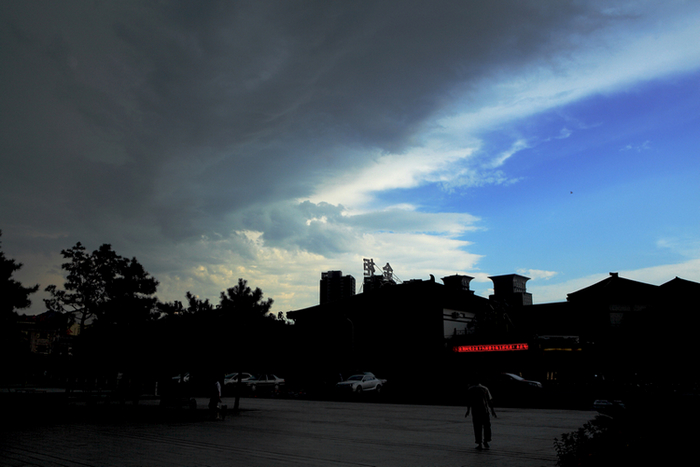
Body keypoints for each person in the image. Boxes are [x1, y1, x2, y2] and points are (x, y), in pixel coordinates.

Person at [465, 379, 497, 450]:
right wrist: (492, 411)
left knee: (477, 427)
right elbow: (490, 400)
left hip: (475, 411)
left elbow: (469, 401)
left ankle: (479, 443)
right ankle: (486, 440)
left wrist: (468, 410)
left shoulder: (471, 389)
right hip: (485, 410)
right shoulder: (485, 388)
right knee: (486, 426)